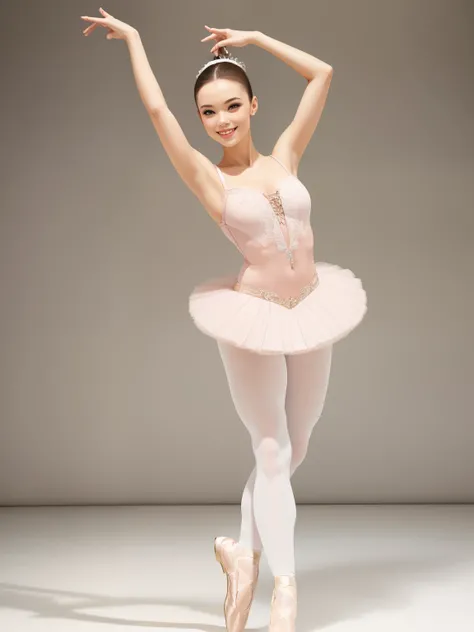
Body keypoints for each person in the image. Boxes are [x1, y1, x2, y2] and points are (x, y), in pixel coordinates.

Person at [81, 10, 367, 632]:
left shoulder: (287, 154)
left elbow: (322, 73)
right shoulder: (206, 177)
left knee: (298, 444)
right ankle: (283, 595)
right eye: (209, 112)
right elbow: (159, 113)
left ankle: (241, 553)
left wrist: (257, 38)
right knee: (271, 451)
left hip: (313, 306)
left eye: (233, 105)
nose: (222, 121)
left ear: (254, 104)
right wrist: (134, 39)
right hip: (254, 317)